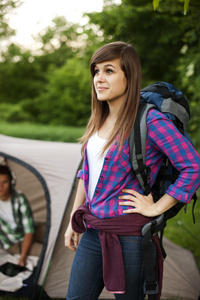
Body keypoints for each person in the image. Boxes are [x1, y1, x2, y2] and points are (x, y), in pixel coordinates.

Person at [64, 41, 200, 300]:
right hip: (93, 230)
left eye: (109, 71)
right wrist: (73, 220)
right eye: (96, 71)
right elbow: (86, 173)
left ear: (130, 76)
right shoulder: (99, 119)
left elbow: (193, 166)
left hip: (131, 238)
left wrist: (157, 208)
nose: (99, 79)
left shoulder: (151, 121)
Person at [0, 165, 35, 267]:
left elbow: (29, 229)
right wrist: (23, 256)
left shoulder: (19, 197)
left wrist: (23, 256)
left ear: (11, 182)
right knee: (47, 250)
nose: (0, 186)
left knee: (52, 232)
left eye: (4, 182)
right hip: (14, 242)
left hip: (28, 230)